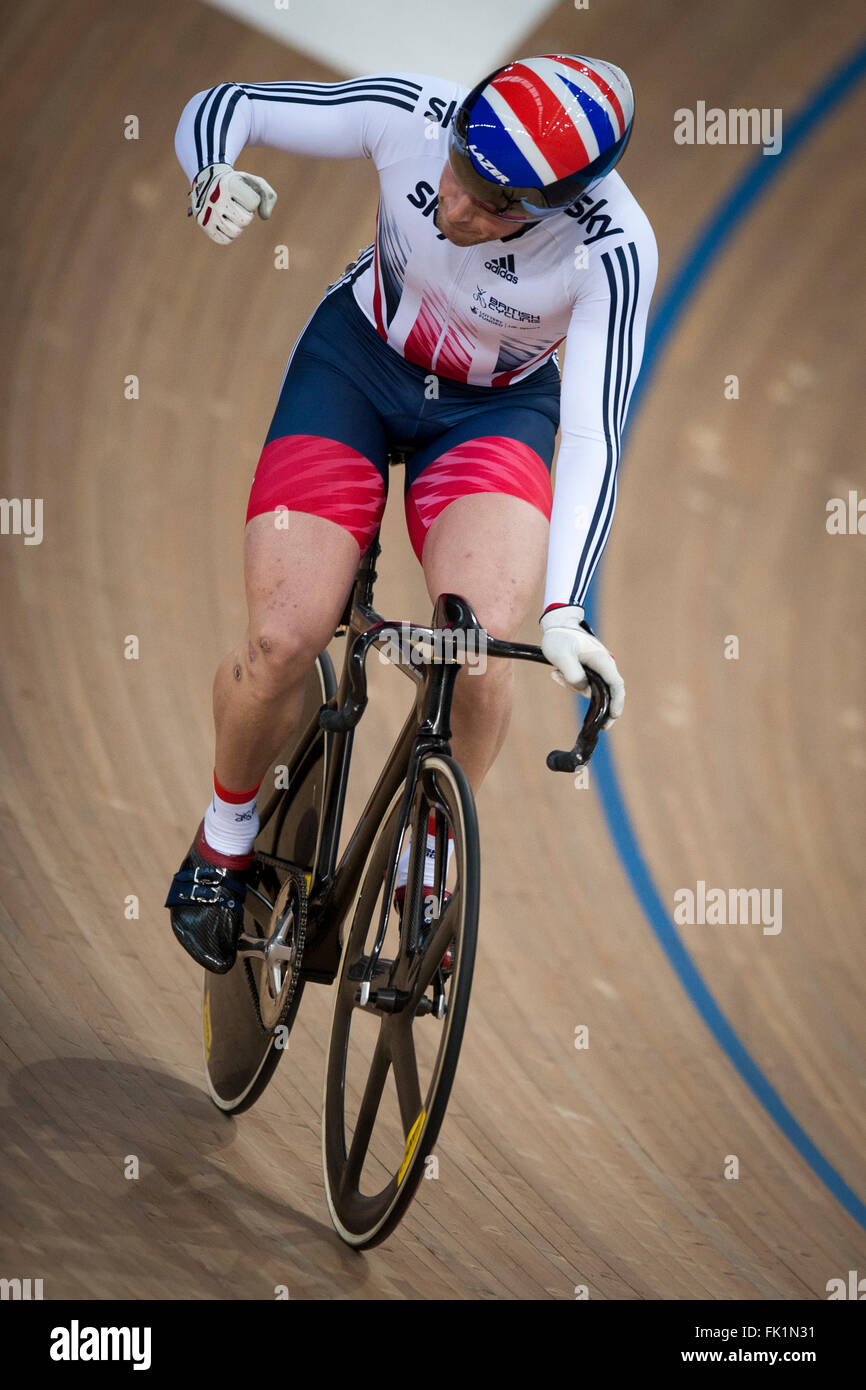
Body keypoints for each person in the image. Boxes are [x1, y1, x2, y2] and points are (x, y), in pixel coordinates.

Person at [165, 54, 658, 973]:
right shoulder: (411, 112)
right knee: (283, 639)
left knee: (476, 647)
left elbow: (593, 432)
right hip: (356, 364)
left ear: (562, 204)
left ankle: (426, 852)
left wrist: (566, 611)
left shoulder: (615, 250)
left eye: (499, 205)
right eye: (461, 178)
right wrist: (211, 172)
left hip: (490, 411)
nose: (458, 210)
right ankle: (224, 833)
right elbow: (222, 100)